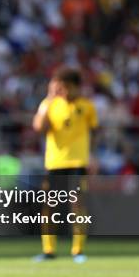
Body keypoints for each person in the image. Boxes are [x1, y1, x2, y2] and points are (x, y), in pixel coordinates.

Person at [32, 69, 98, 263]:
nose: (64, 91)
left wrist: (93, 156)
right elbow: (39, 128)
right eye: (61, 86)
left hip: (78, 162)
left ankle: (78, 250)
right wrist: (49, 101)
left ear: (77, 86)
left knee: (77, 205)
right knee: (49, 206)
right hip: (54, 162)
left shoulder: (87, 106)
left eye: (67, 86)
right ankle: (48, 249)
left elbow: (94, 133)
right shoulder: (50, 104)